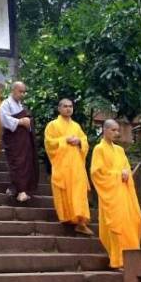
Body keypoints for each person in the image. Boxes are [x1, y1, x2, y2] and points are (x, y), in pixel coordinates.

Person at [90, 119, 141, 268]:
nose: (116, 133)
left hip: (124, 194)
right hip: (111, 195)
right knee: (116, 225)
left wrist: (126, 173)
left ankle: (132, 259)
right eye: (113, 130)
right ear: (104, 130)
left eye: (117, 130)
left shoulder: (120, 150)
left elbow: (126, 168)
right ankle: (118, 260)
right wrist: (117, 174)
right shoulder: (99, 149)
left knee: (134, 221)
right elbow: (96, 173)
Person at [44, 99, 92, 235]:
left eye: (70, 106)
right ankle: (67, 217)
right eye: (65, 106)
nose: (68, 109)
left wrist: (79, 142)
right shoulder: (52, 125)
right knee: (65, 191)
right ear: (59, 109)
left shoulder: (76, 126)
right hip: (62, 165)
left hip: (76, 166)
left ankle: (81, 221)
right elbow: (49, 143)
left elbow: (85, 141)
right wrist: (64, 140)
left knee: (79, 192)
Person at [0, 81, 39, 202]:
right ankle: (21, 191)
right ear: (13, 90)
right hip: (13, 142)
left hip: (24, 142)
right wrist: (20, 122)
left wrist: (28, 122)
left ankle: (21, 189)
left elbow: (28, 122)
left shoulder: (21, 106)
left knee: (25, 164)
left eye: (24, 92)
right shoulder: (6, 104)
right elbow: (4, 119)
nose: (22, 94)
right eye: (20, 91)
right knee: (17, 163)